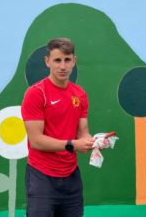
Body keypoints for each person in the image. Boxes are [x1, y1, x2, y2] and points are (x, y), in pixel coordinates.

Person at [21, 37, 95, 217]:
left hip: (71, 178)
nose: (63, 66)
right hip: (42, 177)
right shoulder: (36, 94)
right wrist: (72, 145)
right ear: (47, 62)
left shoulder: (80, 95)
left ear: (74, 61)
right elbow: (36, 141)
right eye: (57, 60)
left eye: (67, 60)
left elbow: (83, 133)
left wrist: (94, 142)